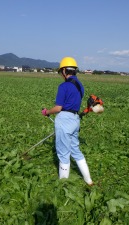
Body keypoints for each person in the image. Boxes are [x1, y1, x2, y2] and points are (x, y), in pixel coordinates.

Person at [41, 57, 93, 186]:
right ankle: (89, 181)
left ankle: (62, 185)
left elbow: (58, 107)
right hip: (75, 120)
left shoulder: (64, 86)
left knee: (63, 153)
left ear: (64, 71)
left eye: (61, 72)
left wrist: (47, 112)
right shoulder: (80, 86)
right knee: (75, 150)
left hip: (64, 120)